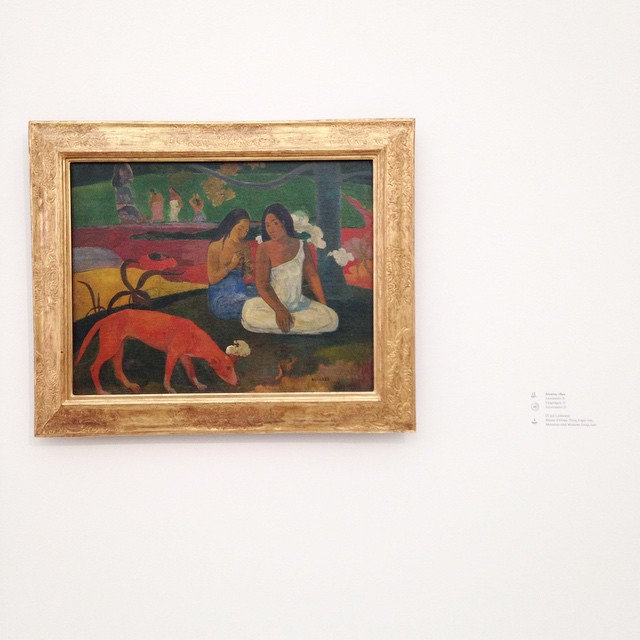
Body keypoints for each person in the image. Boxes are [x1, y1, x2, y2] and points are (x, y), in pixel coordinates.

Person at [241, 203, 338, 334]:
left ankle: (289, 323)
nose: (271, 229)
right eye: (267, 225)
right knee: (251, 316)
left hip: (298, 305)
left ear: (284, 222)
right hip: (272, 306)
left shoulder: (302, 246)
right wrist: (279, 310)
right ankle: (290, 322)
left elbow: (312, 277)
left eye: (275, 223)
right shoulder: (264, 248)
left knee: (331, 317)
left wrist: (324, 306)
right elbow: (262, 285)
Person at [207, 208, 257, 320]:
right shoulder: (215, 246)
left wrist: (248, 268)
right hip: (222, 296)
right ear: (231, 225)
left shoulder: (245, 246)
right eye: (240, 228)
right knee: (249, 305)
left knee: (266, 295)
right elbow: (212, 279)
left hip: (241, 290)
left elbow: (247, 276)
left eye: (246, 230)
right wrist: (231, 266)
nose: (243, 233)